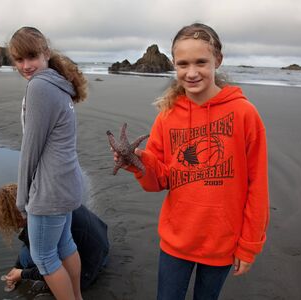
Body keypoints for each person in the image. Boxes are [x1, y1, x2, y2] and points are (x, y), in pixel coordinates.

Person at [113, 23, 269, 300]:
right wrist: (136, 161)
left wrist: (250, 245)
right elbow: (159, 179)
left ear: (217, 61)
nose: (192, 72)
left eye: (201, 62)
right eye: (183, 64)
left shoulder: (244, 113)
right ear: (174, 64)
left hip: (222, 241)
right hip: (177, 239)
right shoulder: (168, 115)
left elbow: (257, 185)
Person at [8, 26, 88, 300]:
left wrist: (21, 200)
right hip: (67, 183)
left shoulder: (40, 86)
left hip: (50, 190)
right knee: (65, 245)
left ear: (46, 53)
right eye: (19, 59)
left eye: (31, 57)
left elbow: (30, 149)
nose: (26, 66)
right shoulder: (57, 83)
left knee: (44, 257)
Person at [0, 183, 109, 292]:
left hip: (93, 262)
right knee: (25, 255)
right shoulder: (45, 201)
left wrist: (22, 274)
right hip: (100, 242)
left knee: (54, 282)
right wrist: (17, 267)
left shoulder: (45, 223)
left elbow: (52, 266)